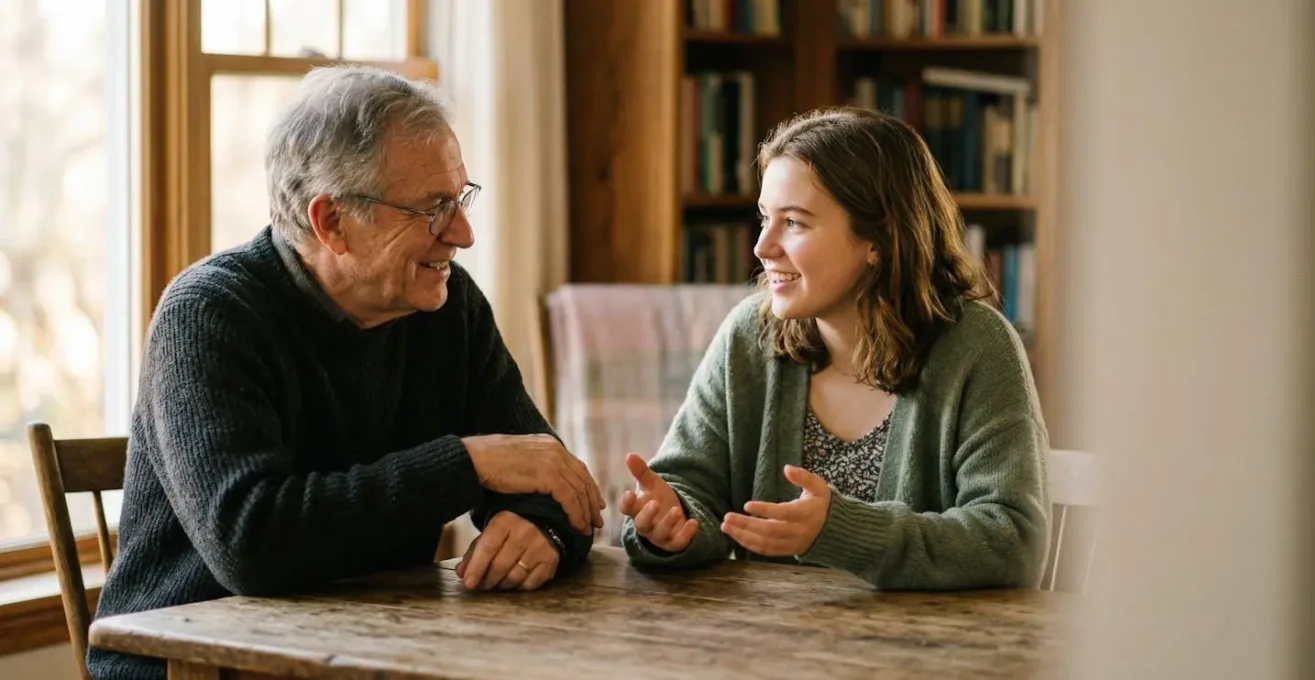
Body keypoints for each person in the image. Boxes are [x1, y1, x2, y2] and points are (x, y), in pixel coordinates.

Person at [89, 66, 604, 680]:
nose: (462, 234)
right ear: (331, 221)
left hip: (366, 652)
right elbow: (251, 544)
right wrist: (466, 464)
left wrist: (540, 532)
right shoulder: (208, 313)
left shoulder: (446, 306)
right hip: (187, 663)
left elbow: (550, 475)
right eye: (434, 208)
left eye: (461, 199)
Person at [619, 108, 1050, 590]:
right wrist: (670, 524)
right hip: (769, 649)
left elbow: (1012, 540)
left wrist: (841, 530)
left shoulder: (979, 346)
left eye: (795, 223)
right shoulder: (748, 335)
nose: (763, 246)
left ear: (879, 239)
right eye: (765, 218)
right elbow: (690, 489)